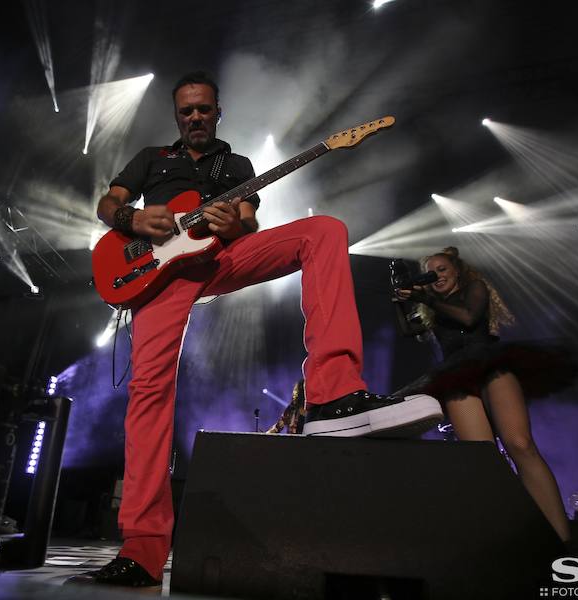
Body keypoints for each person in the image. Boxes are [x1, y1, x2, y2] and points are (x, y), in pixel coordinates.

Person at [67, 71, 442, 588]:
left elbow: (248, 220)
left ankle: (333, 395)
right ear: (177, 117)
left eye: (203, 109)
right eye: (186, 111)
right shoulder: (153, 158)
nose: (195, 117)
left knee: (323, 231)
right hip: (157, 274)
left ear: (218, 112)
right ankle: (142, 551)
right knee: (149, 392)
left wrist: (234, 225)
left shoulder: (235, 165)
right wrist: (132, 221)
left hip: (218, 257)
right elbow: (108, 203)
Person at [394, 246, 578, 541]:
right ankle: (514, 536)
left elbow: (468, 318)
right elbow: (407, 330)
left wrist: (423, 296)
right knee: (483, 460)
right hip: (456, 376)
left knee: (520, 444)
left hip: (491, 365)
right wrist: (400, 300)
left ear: (457, 270)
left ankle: (561, 540)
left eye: (442, 269)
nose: (437, 275)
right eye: (432, 272)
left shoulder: (475, 288)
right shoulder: (432, 309)